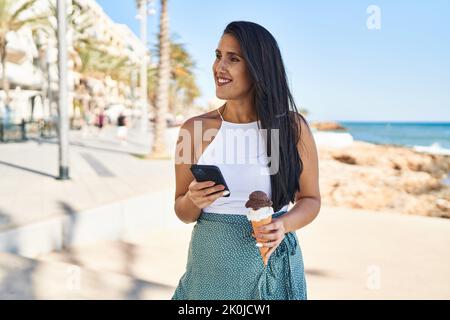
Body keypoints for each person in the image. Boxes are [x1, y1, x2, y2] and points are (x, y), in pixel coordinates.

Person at [172, 21, 321, 300]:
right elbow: (182, 212)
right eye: (218, 56)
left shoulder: (291, 128)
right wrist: (193, 199)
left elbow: (311, 199)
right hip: (209, 271)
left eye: (233, 58)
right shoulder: (193, 130)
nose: (219, 67)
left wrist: (284, 225)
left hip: (272, 270)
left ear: (258, 68)